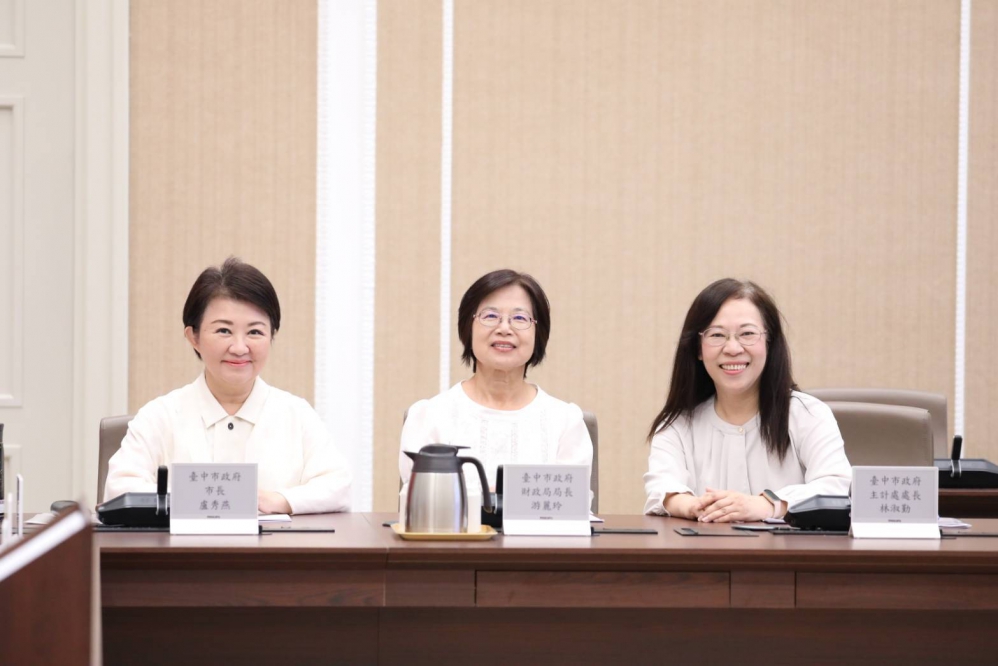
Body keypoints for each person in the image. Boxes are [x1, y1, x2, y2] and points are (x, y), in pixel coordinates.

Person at [104, 257, 352, 514]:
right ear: (194, 337)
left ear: (271, 336)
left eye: (255, 332)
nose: (240, 348)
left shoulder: (297, 415)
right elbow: (119, 490)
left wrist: (278, 500)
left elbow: (339, 487)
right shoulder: (159, 416)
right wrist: (209, 498)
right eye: (224, 331)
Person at [643, 278, 851, 522]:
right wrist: (695, 506)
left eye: (747, 334)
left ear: (769, 342)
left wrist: (767, 505)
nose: (733, 348)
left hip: (789, 548)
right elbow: (662, 491)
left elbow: (837, 488)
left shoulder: (808, 414)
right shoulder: (678, 425)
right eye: (717, 335)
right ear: (698, 349)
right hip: (705, 546)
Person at [398, 269, 593, 507]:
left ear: (538, 333)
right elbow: (420, 505)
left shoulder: (565, 421)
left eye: (519, 318)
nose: (504, 328)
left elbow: (572, 506)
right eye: (490, 316)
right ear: (468, 327)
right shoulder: (429, 416)